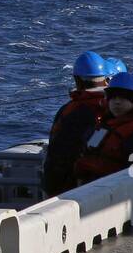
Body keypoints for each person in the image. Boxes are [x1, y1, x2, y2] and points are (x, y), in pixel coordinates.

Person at [42, 51, 112, 195]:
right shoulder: (114, 107)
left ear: (77, 80)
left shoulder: (70, 111)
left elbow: (60, 154)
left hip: (70, 186)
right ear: (106, 79)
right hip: (106, 182)